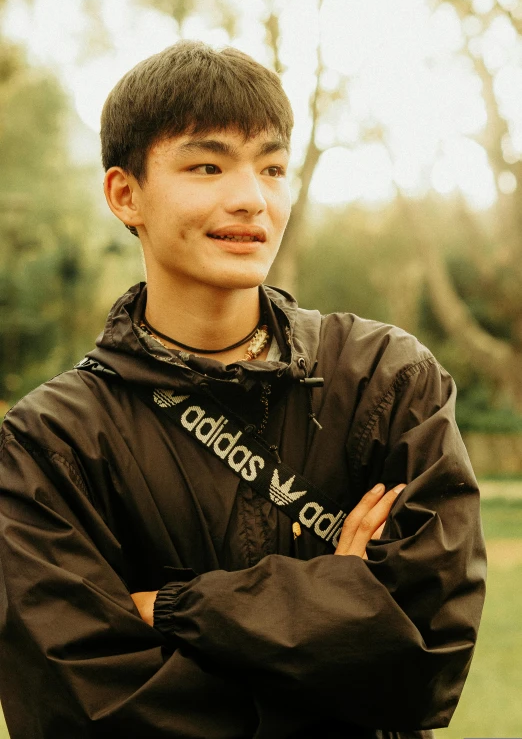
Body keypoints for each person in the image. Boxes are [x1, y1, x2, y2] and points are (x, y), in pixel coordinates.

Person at [0, 40, 485, 739]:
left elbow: (428, 657)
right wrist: (337, 604)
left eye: (272, 167)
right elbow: (79, 709)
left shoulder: (385, 379)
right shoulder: (53, 441)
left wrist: (171, 609)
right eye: (207, 165)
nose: (251, 198)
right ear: (124, 194)